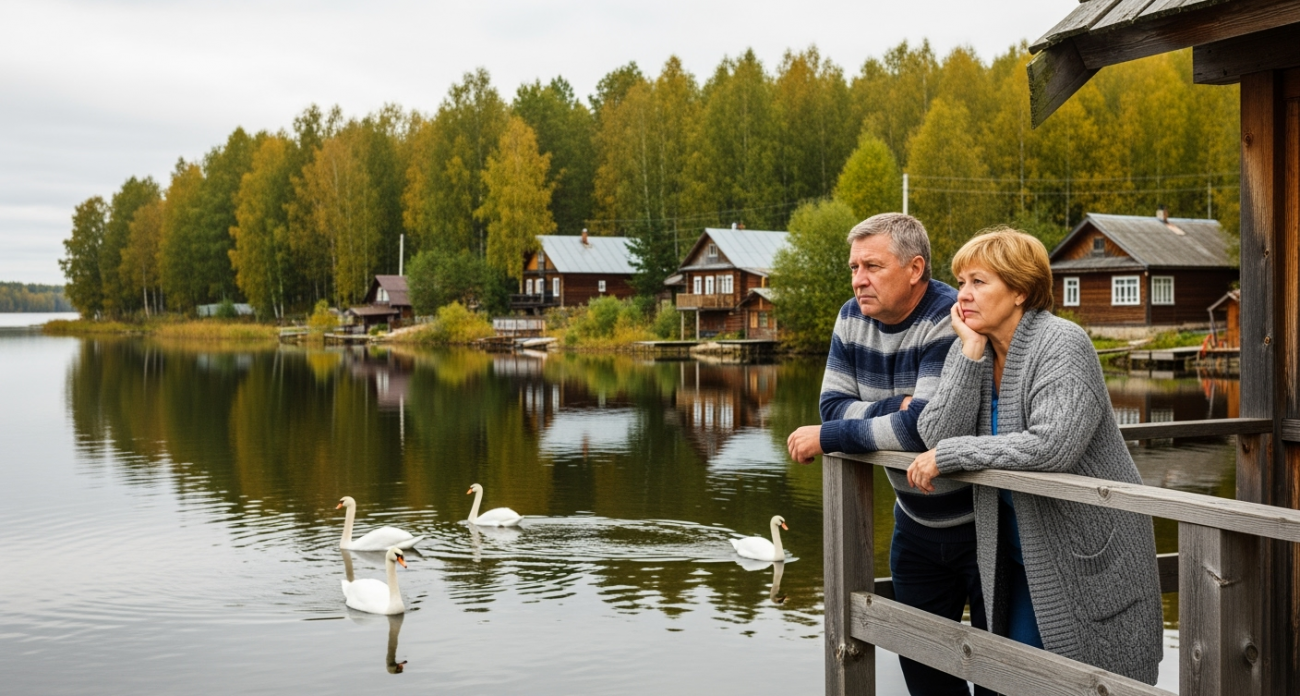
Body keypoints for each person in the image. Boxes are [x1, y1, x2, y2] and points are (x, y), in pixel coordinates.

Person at [908, 228, 1162, 683]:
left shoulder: (1062, 343)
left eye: (979, 282)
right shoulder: (974, 346)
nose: (963, 294)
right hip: (1021, 556)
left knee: (1098, 679)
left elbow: (1052, 445)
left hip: (1088, 553)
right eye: (961, 282)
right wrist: (968, 354)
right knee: (1024, 678)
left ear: (1020, 290)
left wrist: (952, 454)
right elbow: (935, 433)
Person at [787, 213, 991, 696]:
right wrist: (887, 409)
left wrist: (832, 434)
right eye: (854, 267)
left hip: (984, 527)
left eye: (873, 266)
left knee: (996, 677)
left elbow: (922, 430)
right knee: (926, 680)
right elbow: (831, 406)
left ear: (915, 268)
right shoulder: (850, 317)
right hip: (914, 528)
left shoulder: (951, 316)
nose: (859, 280)